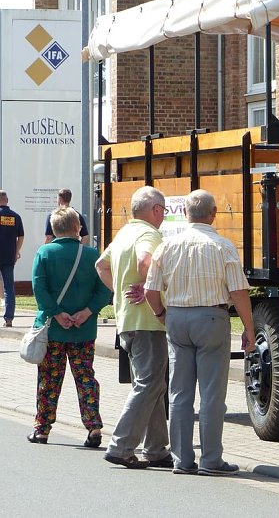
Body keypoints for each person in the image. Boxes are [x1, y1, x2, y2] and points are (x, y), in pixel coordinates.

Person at [144, 190, 254, 476]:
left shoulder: (167, 246)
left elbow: (150, 290)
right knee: (211, 393)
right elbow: (239, 292)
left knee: (179, 393)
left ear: (185, 214)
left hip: (177, 317)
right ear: (214, 213)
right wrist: (249, 330)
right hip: (212, 317)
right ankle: (211, 459)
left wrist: (161, 315)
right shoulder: (223, 246)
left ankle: (182, 459)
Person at [95, 186, 170, 470]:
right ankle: (121, 446)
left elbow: (101, 266)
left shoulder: (124, 233)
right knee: (150, 383)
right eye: (162, 211)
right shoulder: (149, 234)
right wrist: (152, 286)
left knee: (153, 384)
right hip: (148, 320)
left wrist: (119, 291)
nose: (162, 217)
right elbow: (145, 262)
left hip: (127, 319)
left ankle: (157, 449)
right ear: (155, 210)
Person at [28, 206, 112, 445]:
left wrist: (56, 313)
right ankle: (94, 427)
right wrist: (86, 312)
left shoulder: (44, 253)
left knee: (49, 379)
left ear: (54, 229)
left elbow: (39, 288)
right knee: (85, 376)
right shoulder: (92, 254)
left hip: (53, 330)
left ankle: (42, 429)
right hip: (83, 330)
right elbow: (104, 289)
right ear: (78, 228)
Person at [0, 190, 25, 327]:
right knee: (9, 287)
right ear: (7, 200)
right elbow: (21, 236)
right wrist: (16, 251)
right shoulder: (15, 217)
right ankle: (8, 319)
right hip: (9, 256)